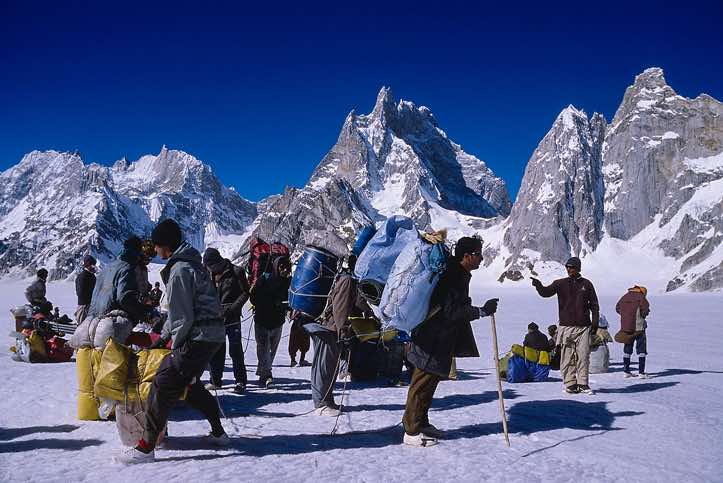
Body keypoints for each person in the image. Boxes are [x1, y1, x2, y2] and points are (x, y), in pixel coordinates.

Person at [116, 219, 228, 465]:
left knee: (164, 382)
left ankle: (145, 448)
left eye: (156, 247)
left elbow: (183, 317)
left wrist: (172, 344)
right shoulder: (193, 265)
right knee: (189, 384)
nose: (155, 252)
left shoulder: (179, 271)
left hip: (199, 336)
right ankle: (219, 433)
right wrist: (164, 336)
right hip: (212, 335)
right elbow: (180, 314)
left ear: (165, 246)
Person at [403, 236, 499, 447]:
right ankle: (411, 430)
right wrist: (480, 311)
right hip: (432, 337)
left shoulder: (459, 273)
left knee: (431, 381)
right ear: (467, 256)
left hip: (440, 338)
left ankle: (421, 422)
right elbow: (451, 311)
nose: (482, 258)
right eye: (478, 254)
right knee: (422, 382)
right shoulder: (454, 275)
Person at [308, 253, 372, 416]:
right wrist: (343, 331)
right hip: (327, 328)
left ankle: (327, 400)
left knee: (329, 366)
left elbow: (356, 302)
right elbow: (340, 309)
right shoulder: (347, 281)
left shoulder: (347, 279)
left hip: (326, 326)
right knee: (324, 366)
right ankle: (321, 404)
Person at [531, 257, 599, 395]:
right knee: (567, 357)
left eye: (572, 267)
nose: (569, 269)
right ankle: (570, 383)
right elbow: (546, 293)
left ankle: (583, 383)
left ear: (578, 268)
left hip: (583, 327)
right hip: (566, 326)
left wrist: (595, 324)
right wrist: (539, 286)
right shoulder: (560, 284)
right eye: (567, 267)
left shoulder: (587, 284)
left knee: (583, 356)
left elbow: (594, 306)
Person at [202, 247, 249, 394]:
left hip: (232, 317)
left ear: (218, 261)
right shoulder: (209, 273)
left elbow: (245, 293)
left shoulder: (237, 272)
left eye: (210, 266)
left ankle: (240, 381)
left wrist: (232, 309)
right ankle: (216, 380)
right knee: (216, 349)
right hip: (214, 318)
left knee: (235, 349)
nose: (209, 268)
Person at [249, 256, 292, 388]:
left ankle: (263, 373)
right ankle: (267, 375)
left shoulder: (288, 283)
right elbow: (253, 297)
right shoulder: (264, 279)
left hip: (278, 322)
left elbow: (290, 300)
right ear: (276, 266)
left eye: (286, 267)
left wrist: (285, 306)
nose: (284, 270)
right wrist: (271, 303)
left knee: (271, 350)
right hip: (262, 320)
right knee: (263, 349)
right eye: (281, 267)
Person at [615, 285, 651, 378]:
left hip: (626, 327)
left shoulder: (625, 296)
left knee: (627, 348)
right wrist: (642, 316)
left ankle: (626, 371)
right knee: (641, 350)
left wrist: (626, 316)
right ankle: (641, 373)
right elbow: (645, 310)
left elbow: (617, 308)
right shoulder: (641, 298)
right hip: (639, 328)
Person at [74, 255, 97, 324]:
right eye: (92, 265)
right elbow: (80, 293)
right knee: (82, 326)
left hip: (91, 305)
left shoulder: (92, 276)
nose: (94, 267)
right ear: (88, 265)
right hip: (84, 305)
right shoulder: (82, 276)